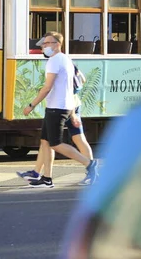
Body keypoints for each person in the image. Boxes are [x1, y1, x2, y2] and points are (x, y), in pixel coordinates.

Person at [22, 31, 98, 188]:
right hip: (58, 106)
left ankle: (89, 164)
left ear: (57, 44)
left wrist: (31, 105)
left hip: (57, 108)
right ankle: (46, 178)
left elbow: (47, 87)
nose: (43, 46)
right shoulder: (64, 59)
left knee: (56, 143)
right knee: (45, 141)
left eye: (47, 43)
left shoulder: (55, 60)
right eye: (43, 44)